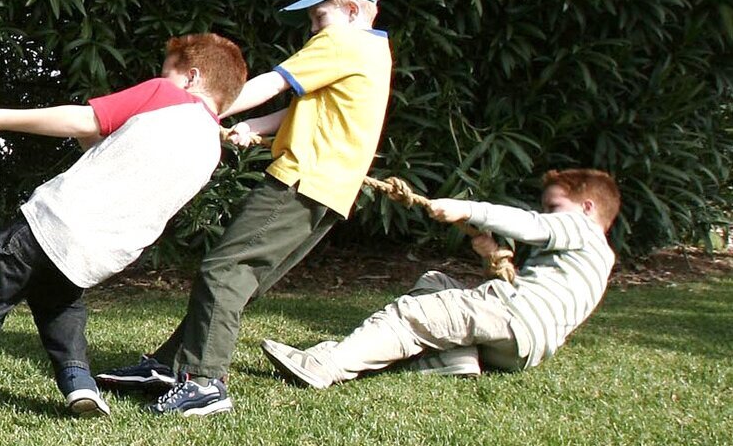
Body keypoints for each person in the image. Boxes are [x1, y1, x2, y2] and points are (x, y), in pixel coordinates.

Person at [0, 33, 247, 439]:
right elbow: (111, 155)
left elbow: (82, 121)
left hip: (51, 225)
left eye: (168, 72)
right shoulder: (211, 147)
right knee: (58, 300)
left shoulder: (166, 96)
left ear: (191, 77)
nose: (161, 78)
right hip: (98, 255)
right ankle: (79, 380)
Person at [97, 0, 394, 417]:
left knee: (224, 270)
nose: (313, 29)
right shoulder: (373, 52)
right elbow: (309, 106)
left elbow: (273, 83)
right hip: (333, 190)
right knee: (239, 279)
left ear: (352, 11)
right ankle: (169, 365)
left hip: (301, 178)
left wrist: (202, 106)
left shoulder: (341, 41)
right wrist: (254, 125)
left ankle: (204, 382)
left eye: (318, 17)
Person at [260, 169, 620, 388]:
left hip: (513, 317)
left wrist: (467, 209)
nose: (548, 214)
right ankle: (457, 358)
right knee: (435, 282)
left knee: (410, 315)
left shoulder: (581, 226)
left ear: (587, 208)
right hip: (525, 348)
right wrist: (489, 254)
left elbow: (531, 225)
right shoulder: (600, 258)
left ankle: (327, 366)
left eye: (554, 207)